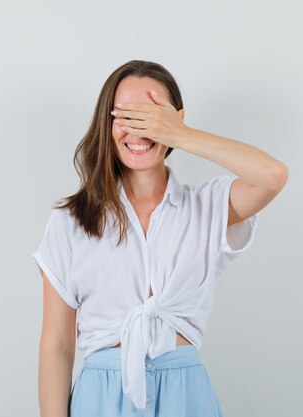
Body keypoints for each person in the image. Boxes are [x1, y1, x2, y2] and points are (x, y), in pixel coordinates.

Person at [32, 60, 288, 417]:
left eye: (151, 116)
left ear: (173, 122)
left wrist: (180, 135)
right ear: (107, 125)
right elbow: (57, 347)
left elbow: (272, 176)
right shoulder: (71, 221)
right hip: (101, 400)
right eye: (125, 116)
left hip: (186, 398)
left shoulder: (207, 207)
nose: (139, 129)